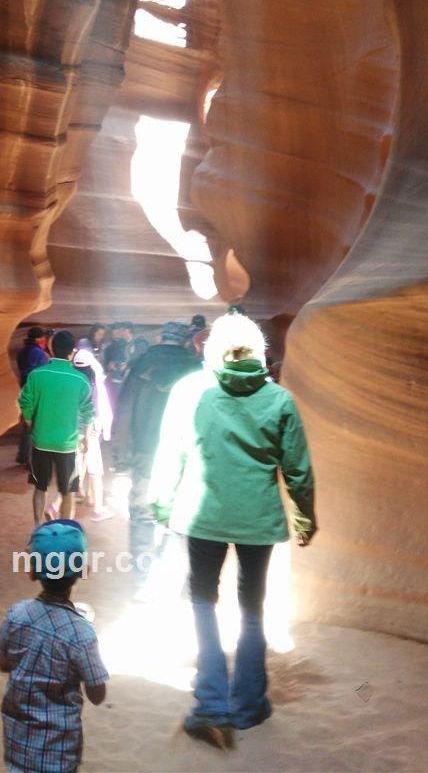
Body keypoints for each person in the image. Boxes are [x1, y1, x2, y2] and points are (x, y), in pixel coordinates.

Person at [149, 313, 317, 748]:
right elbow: (297, 469)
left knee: (203, 601)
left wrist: (162, 505)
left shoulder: (190, 392)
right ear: (258, 352)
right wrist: (303, 518)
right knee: (253, 605)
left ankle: (211, 701)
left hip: (202, 517)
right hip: (258, 520)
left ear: (212, 349)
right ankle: (249, 704)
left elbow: (170, 454)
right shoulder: (279, 399)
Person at [0, 520, 108, 773]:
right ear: (83, 571)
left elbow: (2, 663)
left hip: (17, 745)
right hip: (59, 751)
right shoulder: (81, 632)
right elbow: (98, 695)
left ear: (32, 571)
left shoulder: (16, 615)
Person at [111, 321, 197, 571]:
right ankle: (177, 572)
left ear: (161, 338)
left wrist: (121, 454)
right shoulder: (195, 367)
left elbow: (125, 410)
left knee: (142, 512)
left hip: (145, 449)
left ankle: (143, 571)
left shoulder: (141, 364)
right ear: (184, 341)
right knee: (181, 512)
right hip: (185, 453)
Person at [19, 330, 94, 525]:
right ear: (72, 353)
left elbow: (25, 402)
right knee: (67, 491)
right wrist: (85, 437)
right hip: (67, 444)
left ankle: (37, 530)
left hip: (41, 440)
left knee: (40, 487)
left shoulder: (37, 375)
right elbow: (88, 412)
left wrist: (31, 423)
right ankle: (64, 532)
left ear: (51, 349)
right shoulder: (80, 380)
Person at [73, 348, 113, 521]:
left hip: (72, 430)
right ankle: (98, 508)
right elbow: (100, 408)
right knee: (95, 470)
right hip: (90, 431)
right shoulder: (94, 384)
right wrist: (105, 429)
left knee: (76, 464)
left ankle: (80, 493)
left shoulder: (71, 382)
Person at [14, 327, 49, 465]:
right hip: (36, 391)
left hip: (24, 389)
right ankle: (31, 459)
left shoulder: (22, 352)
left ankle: (22, 455)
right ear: (38, 339)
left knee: (27, 424)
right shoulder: (39, 353)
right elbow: (43, 373)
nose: (44, 340)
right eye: (43, 338)